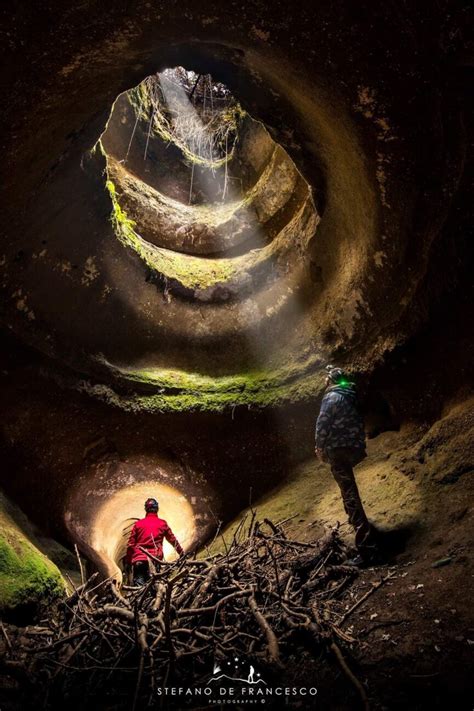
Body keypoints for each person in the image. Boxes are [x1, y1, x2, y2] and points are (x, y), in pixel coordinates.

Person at [315, 365, 380, 564]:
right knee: (348, 490)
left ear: (331, 381)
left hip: (338, 450)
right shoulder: (352, 395)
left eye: (327, 380)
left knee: (349, 493)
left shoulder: (331, 396)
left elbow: (322, 423)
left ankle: (367, 549)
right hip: (354, 447)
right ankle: (360, 530)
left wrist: (319, 447)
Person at [126, 497, 184, 585]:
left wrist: (128, 561)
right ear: (157, 509)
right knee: (154, 588)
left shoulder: (138, 524)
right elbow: (173, 540)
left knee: (140, 591)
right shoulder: (162, 523)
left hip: (139, 561)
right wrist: (182, 554)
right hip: (155, 560)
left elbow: (131, 544)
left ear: (146, 509)